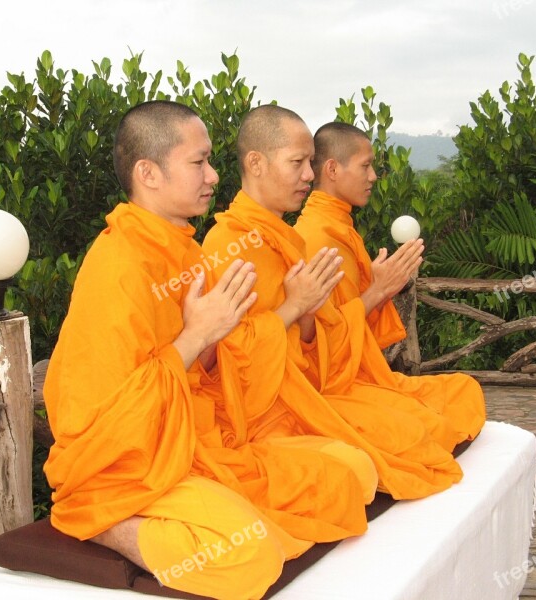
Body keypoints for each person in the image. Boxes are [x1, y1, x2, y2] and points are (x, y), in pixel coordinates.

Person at [42, 101, 371, 600]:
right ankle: (101, 522)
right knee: (249, 556)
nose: (214, 176)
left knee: (348, 481)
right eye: (198, 163)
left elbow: (226, 376)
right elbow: (97, 419)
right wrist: (198, 336)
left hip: (202, 444)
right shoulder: (119, 267)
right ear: (148, 173)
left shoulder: (187, 252)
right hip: (126, 469)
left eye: (210, 161)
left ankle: (214, 508)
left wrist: (230, 334)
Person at [202, 105, 464, 501]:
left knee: (439, 414)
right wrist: (301, 307)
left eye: (310, 162)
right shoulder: (229, 245)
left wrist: (309, 311)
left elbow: (319, 346)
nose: (310, 174)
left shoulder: (287, 239)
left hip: (307, 395)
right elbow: (235, 364)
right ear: (255, 163)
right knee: (378, 458)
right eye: (298, 163)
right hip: (264, 417)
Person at [294, 122, 485, 445]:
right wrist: (377, 291)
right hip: (332, 390)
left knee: (464, 389)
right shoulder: (316, 237)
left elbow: (351, 326)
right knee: (427, 428)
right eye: (365, 166)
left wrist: (383, 288)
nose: (373, 177)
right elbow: (321, 354)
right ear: (332, 169)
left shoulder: (340, 227)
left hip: (361, 377)